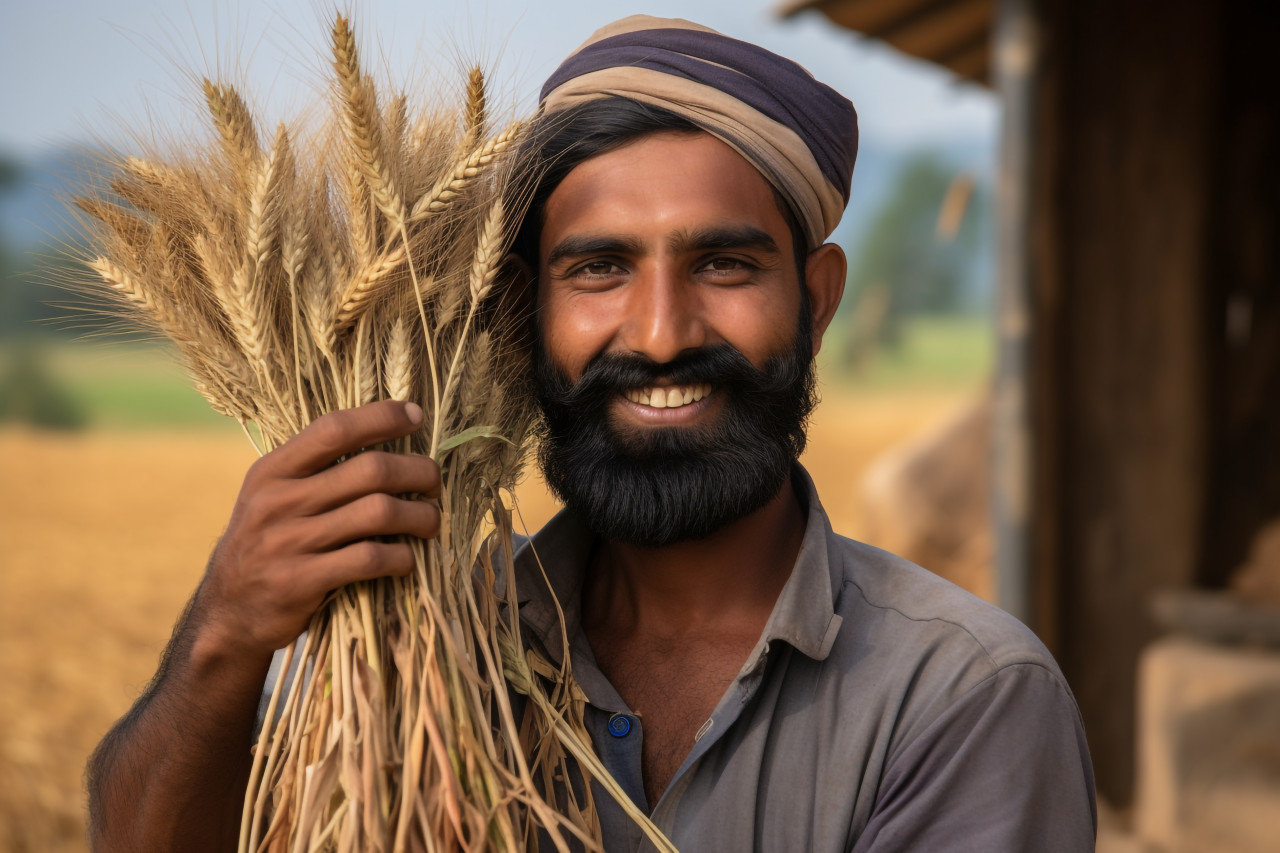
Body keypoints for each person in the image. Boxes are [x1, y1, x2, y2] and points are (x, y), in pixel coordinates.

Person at [86, 15, 1096, 852]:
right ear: (525, 307)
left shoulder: (961, 699)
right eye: (599, 268)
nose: (659, 334)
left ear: (816, 300)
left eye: (725, 265)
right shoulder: (408, 638)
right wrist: (223, 634)